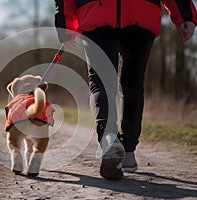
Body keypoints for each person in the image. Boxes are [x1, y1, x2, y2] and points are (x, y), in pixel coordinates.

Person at [54, 0, 197, 180]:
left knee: (103, 82)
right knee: (133, 84)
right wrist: (186, 16)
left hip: (97, 10)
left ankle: (109, 140)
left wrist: (65, 21)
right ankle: (127, 151)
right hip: (140, 11)